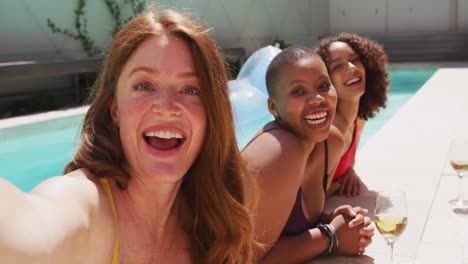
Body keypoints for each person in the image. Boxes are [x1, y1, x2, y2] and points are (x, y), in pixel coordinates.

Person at [0, 9, 257, 263]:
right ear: (115, 110)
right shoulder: (86, 205)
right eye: (144, 86)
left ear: (212, 114)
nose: (166, 108)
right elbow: (28, 228)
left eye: (190, 89)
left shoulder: (214, 223)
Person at [242, 46, 374, 263]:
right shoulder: (280, 149)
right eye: (298, 91)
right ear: (273, 107)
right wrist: (331, 235)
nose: (317, 99)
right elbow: (247, 257)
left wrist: (337, 220)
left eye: (323, 86)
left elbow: (282, 223)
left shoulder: (331, 141)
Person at [317, 33, 389, 197]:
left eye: (355, 60)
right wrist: (338, 184)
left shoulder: (358, 118)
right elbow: (310, 195)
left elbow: (346, 164)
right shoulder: (333, 129)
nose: (351, 67)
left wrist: (349, 171)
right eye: (338, 66)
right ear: (326, 80)